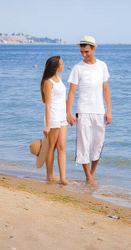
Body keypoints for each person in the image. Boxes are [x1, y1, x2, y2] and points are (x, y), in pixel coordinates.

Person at [67, 36, 112, 185]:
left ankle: (92, 173)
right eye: (81, 52)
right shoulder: (78, 68)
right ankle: (88, 177)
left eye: (86, 51)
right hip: (84, 111)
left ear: (93, 49)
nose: (84, 54)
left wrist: (109, 110)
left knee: (98, 144)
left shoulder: (102, 66)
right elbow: (72, 92)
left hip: (99, 111)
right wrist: (69, 113)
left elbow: (105, 89)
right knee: (83, 144)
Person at [41, 56, 69, 185]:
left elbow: (63, 99)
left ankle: (62, 177)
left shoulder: (60, 79)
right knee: (51, 148)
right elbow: (47, 104)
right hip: (53, 118)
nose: (64, 64)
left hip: (62, 117)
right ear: (57, 66)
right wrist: (47, 125)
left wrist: (69, 113)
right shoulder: (48, 82)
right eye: (62, 63)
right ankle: (49, 175)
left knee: (62, 147)